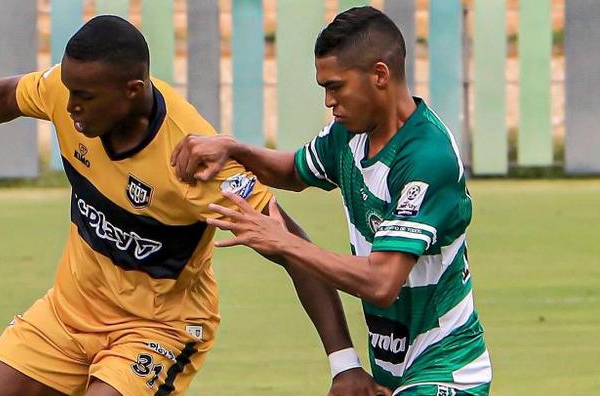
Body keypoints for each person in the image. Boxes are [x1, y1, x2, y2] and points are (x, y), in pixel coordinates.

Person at [0, 15, 383, 396]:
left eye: (85, 97)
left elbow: (290, 248)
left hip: (159, 330)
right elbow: (6, 96)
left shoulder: (194, 159)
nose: (69, 107)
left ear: (132, 89)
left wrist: (345, 366)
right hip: (67, 313)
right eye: (67, 91)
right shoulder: (68, 92)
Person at [171, 6, 492, 396]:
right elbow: (294, 171)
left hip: (447, 372)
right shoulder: (349, 134)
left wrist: (285, 242)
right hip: (396, 374)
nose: (328, 101)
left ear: (379, 75)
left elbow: (381, 281)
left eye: (336, 86)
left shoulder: (427, 158)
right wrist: (234, 149)